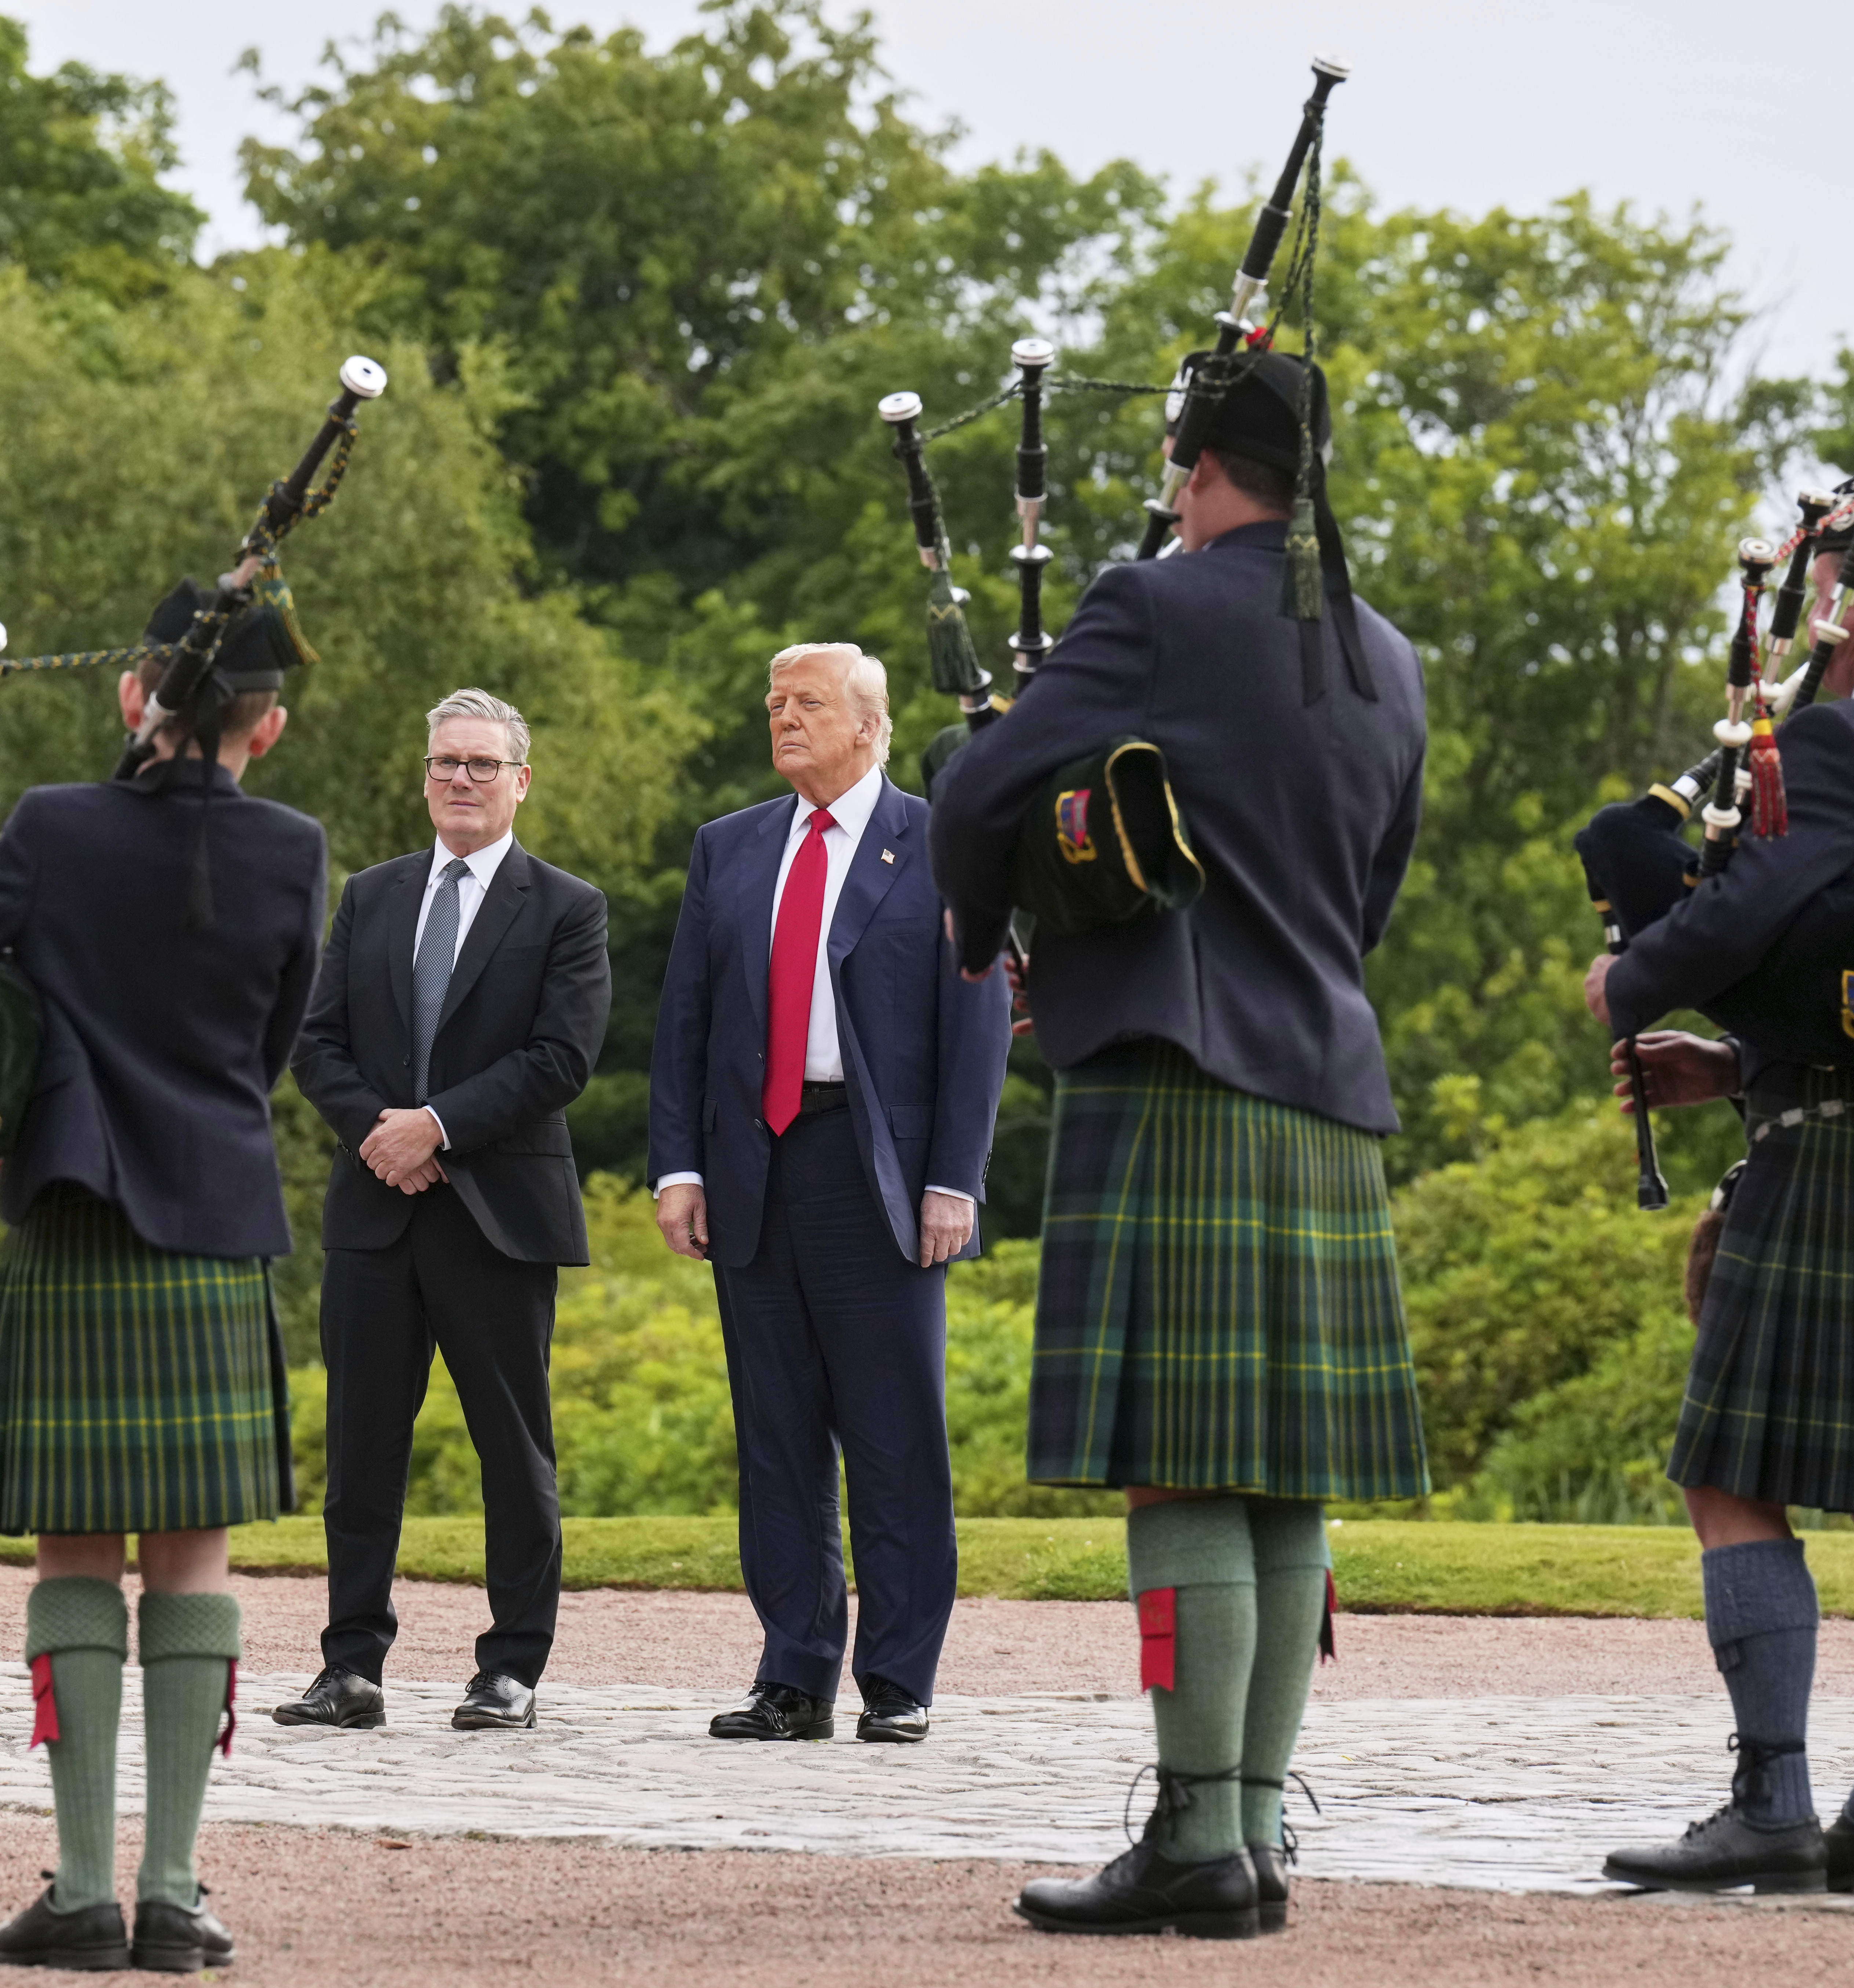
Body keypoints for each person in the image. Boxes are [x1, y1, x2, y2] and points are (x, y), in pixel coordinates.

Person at [929, 351, 1431, 1938]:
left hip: (1176, 1070)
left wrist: (992, 921)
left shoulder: (1148, 603)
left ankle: (1195, 1837)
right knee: (1287, 1483)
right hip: (1327, 1080)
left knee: (1178, 1474)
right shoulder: (1390, 657)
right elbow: (1371, 893)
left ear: (1193, 461)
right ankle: (1255, 1832)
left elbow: (980, 784)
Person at [0, 576, 325, 1973]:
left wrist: (2, 1048)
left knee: (76, 1550)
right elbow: (274, 1044)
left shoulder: (54, 827)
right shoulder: (297, 851)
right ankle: (175, 1893)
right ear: (273, 727)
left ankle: (79, 1890)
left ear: (138, 699)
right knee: (191, 1555)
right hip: (215, 1212)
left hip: (74, 1210)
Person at [1588, 470, 1854, 1899]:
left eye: (1828, 584)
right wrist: (1731, 1068)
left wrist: (1626, 980)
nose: (1811, 614)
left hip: (1829, 1162)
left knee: (1728, 1479)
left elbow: (1746, 912)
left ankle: (1772, 1805)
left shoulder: (1837, 746)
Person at [647, 642, 1012, 1745]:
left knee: (895, 1435)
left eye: (806, 702)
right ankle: (793, 1671)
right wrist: (679, 1165)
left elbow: (978, 1022)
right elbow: (685, 1022)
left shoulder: (938, 844)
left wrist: (953, 1178)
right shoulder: (730, 846)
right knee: (777, 1434)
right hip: (756, 1164)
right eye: (773, 702)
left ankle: (898, 1680)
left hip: (881, 1171)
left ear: (871, 725)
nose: (783, 718)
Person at [278, 689, 610, 1735]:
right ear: (423, 776)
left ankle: (510, 1666)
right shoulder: (371, 897)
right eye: (443, 762)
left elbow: (561, 1058)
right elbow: (314, 1042)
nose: (459, 778)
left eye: (480, 763)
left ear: (520, 780)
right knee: (361, 1449)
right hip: (376, 1210)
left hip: (497, 1216)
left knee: (512, 1451)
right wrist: (386, 1134)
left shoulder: (565, 906)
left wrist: (435, 1126)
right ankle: (350, 1666)